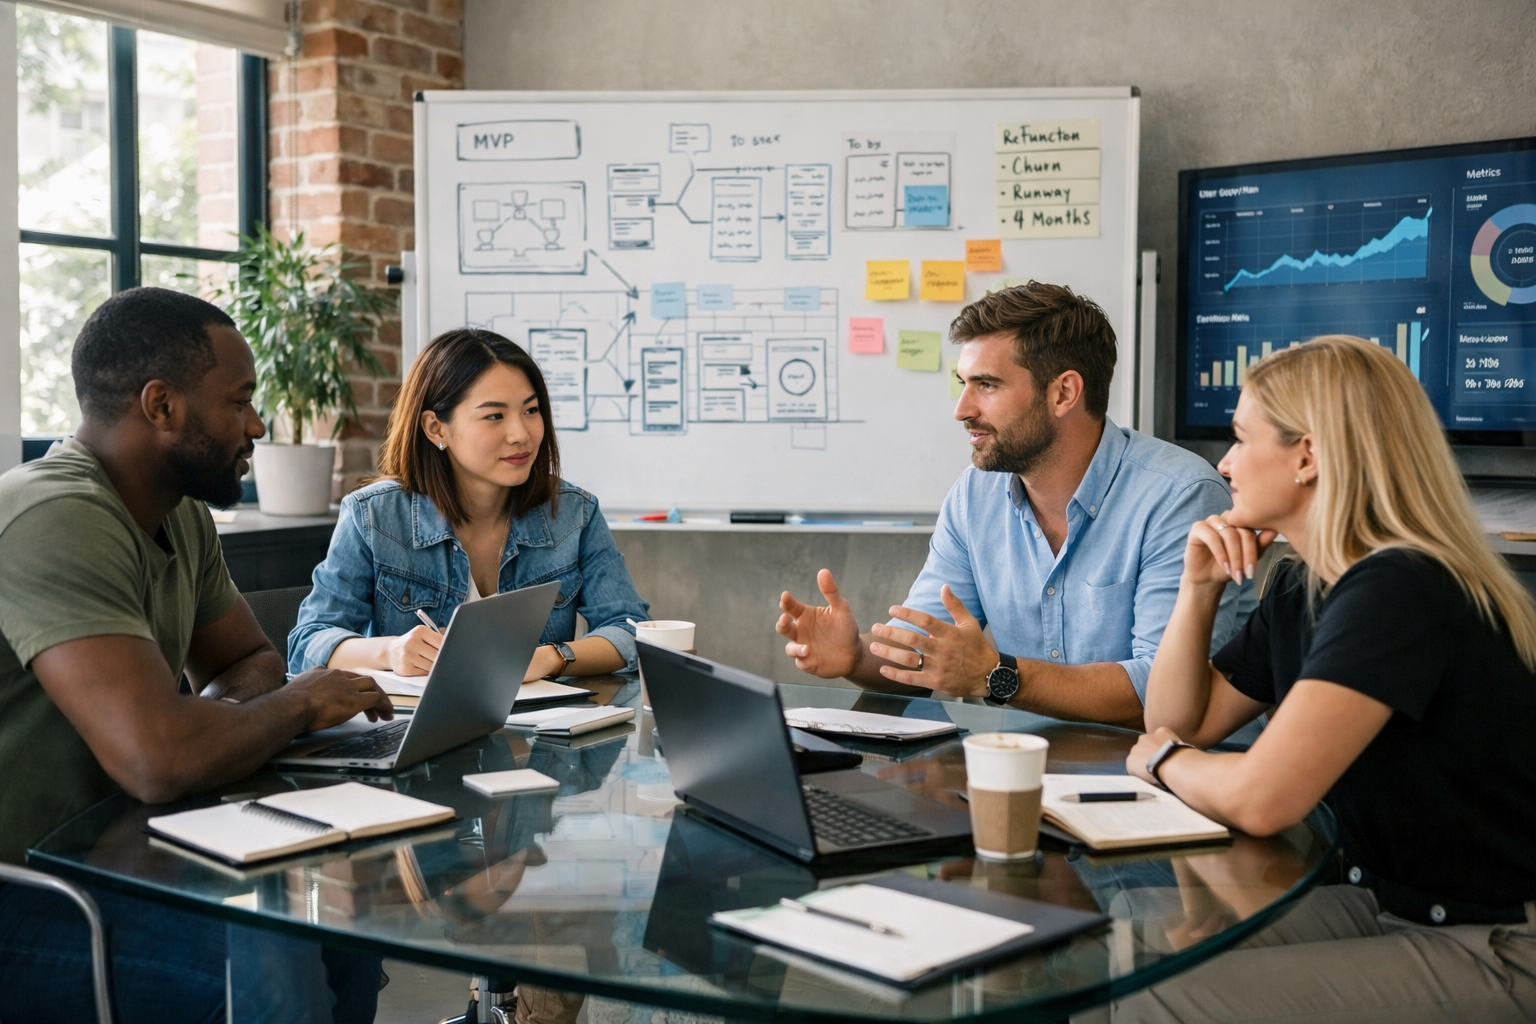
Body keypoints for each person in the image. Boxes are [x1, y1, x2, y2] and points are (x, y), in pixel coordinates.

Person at [1103, 335, 1536, 1022]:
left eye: (1241, 440)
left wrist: (1163, 763)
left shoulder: (1400, 587)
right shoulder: (1306, 582)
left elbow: (1257, 797)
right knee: (1121, 950)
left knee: (1164, 997)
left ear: (1307, 455)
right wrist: (1198, 588)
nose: (1225, 463)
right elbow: (1181, 720)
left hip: (1495, 938)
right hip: (1389, 903)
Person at [0, 287, 394, 1023]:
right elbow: (157, 761)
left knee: (345, 926)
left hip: (128, 854)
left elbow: (248, 658)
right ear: (162, 406)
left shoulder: (176, 514)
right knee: (271, 974)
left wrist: (200, 728)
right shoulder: (54, 516)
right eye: (239, 400)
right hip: (24, 891)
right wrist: (296, 705)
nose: (255, 423)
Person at [777, 283, 1250, 728]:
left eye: (986, 385)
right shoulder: (974, 496)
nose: (961, 409)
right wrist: (856, 658)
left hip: (1173, 783)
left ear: (1063, 392)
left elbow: (1165, 697)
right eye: (963, 383)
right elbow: (929, 653)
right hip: (1031, 768)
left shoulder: (1180, 497)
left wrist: (995, 675)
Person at [289, 328, 648, 681]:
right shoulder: (372, 516)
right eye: (494, 416)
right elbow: (308, 643)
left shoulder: (573, 513)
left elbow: (632, 629)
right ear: (436, 428)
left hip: (538, 731)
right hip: (408, 732)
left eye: (531, 410)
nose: (521, 434)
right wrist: (391, 651)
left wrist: (550, 659)